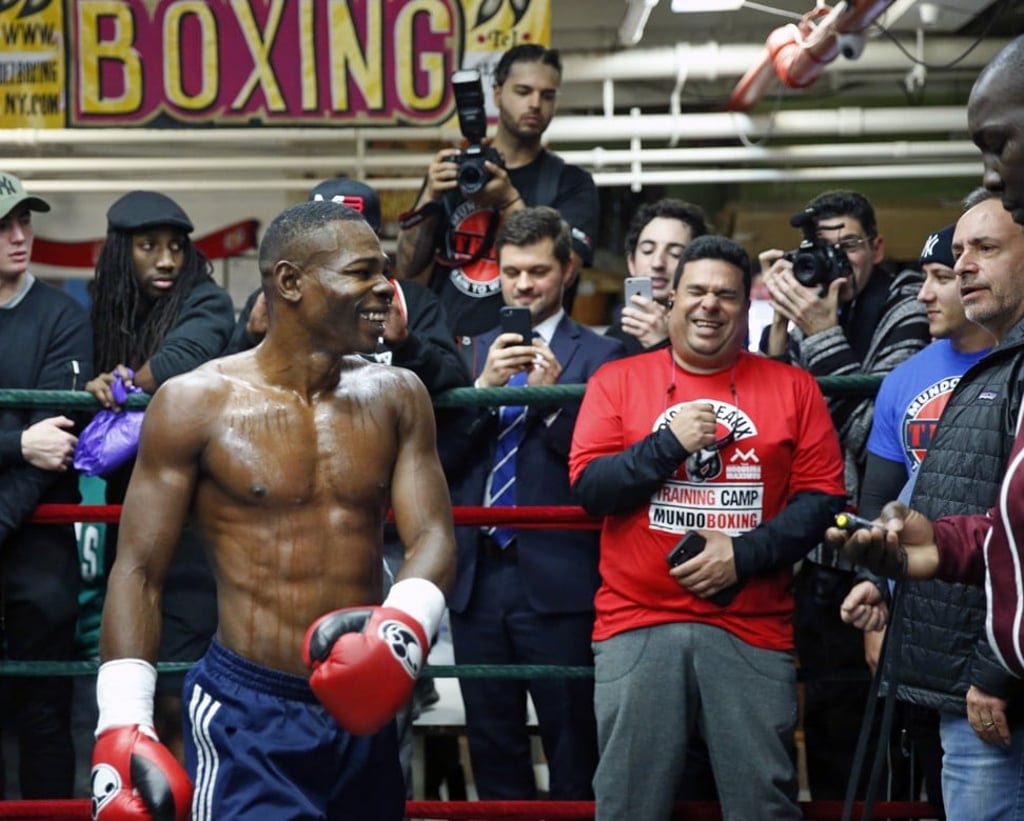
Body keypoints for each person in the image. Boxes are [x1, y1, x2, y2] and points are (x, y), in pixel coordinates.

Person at [90, 200, 455, 820]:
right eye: (362, 272)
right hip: (247, 711)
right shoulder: (194, 403)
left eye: (384, 271)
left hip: (365, 706)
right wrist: (121, 720)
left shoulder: (398, 394)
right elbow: (138, 570)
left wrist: (403, 626)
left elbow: (434, 536)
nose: (385, 290)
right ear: (290, 283)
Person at [569, 235, 847, 820]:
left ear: (749, 308)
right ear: (670, 302)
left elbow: (822, 499)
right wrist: (667, 444)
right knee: (627, 806)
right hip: (637, 620)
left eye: (727, 295)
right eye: (696, 291)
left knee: (762, 805)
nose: (709, 305)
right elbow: (592, 489)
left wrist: (741, 554)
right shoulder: (615, 381)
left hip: (751, 626)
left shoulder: (794, 387)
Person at [832, 190, 1024, 820]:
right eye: (956, 253)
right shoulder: (989, 373)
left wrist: (997, 670)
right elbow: (1002, 527)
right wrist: (925, 547)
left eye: (984, 249)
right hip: (961, 666)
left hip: (993, 672)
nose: (963, 265)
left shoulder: (1001, 372)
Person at [443, 206, 625, 800]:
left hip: (562, 578)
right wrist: (482, 394)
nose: (524, 285)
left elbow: (606, 472)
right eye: (513, 271)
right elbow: (438, 462)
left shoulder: (606, 357)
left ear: (567, 270)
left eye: (539, 271)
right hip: (476, 578)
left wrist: (551, 403)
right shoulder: (469, 353)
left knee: (575, 744)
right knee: (491, 747)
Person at [758, 189, 930, 800]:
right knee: (824, 720)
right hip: (816, 555)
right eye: (821, 248)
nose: (835, 261)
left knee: (886, 725)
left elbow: (880, 431)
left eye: (849, 245)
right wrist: (779, 326)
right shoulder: (802, 305)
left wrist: (822, 333)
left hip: (885, 554)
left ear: (876, 247)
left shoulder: (909, 301)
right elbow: (775, 422)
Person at [83, 190, 236, 766]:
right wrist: (97, 386)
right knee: (138, 681)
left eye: (175, 247)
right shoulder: (108, 309)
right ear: (124, 255)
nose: (166, 260)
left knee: (182, 689)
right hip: (135, 525)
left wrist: (122, 383)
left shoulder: (208, 300)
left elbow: (183, 359)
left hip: (197, 527)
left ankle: (195, 798)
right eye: (149, 248)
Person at [395, 44, 598, 342]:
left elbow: (565, 272)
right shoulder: (458, 170)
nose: (535, 104)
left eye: (547, 95)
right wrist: (430, 199)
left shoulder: (571, 183)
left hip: (527, 346)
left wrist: (509, 201)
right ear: (498, 93)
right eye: (523, 91)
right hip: (446, 345)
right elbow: (406, 268)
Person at [0, 171, 93, 799]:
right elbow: (28, 443)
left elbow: (52, 445)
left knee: (43, 714)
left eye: (25, 221)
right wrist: (13, 444)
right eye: (3, 226)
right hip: (17, 526)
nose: (18, 236)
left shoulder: (62, 315)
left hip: (39, 550)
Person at [605, 198, 709, 356]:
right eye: (647, 250)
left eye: (676, 253)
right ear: (631, 262)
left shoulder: (711, 330)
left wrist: (663, 343)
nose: (658, 263)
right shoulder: (614, 341)